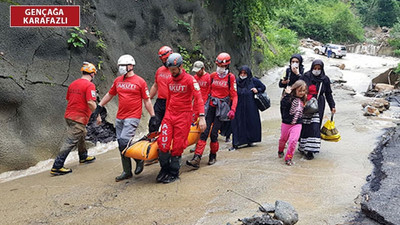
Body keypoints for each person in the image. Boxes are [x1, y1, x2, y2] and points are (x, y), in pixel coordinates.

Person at [95, 54, 156, 182]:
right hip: (120, 117)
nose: (120, 68)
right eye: (120, 66)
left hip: (133, 116)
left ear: (130, 66)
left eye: (122, 66)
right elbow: (110, 94)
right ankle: (127, 171)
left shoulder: (140, 81)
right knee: (121, 144)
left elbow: (147, 100)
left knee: (124, 141)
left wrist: (153, 116)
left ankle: (139, 159)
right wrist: (99, 106)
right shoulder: (118, 81)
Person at [156, 53, 206, 183]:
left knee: (178, 146)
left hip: (184, 116)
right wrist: (164, 118)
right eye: (170, 70)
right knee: (163, 143)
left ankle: (174, 172)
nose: (172, 73)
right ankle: (164, 169)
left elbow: (198, 98)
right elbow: (169, 99)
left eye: (174, 70)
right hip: (169, 115)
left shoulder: (190, 80)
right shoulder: (169, 80)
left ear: (181, 66)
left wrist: (201, 117)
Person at [186, 52, 238, 169]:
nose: (220, 68)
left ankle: (213, 155)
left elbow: (234, 95)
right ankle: (197, 157)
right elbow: (207, 90)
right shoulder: (213, 76)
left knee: (214, 133)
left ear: (227, 66)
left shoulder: (231, 78)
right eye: (219, 66)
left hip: (222, 107)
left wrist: (233, 110)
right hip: (211, 105)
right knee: (204, 131)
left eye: (222, 66)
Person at [50, 62, 98, 175]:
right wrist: (97, 113)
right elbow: (91, 102)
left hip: (70, 116)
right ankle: (57, 166)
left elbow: (69, 99)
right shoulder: (90, 85)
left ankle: (83, 157)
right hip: (79, 118)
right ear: (92, 74)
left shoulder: (73, 84)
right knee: (70, 141)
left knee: (82, 134)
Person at [299, 59, 336, 160]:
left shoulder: (325, 79)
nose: (316, 70)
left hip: (319, 104)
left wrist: (332, 106)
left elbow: (328, 94)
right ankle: (302, 146)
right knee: (305, 125)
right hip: (306, 103)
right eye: (315, 68)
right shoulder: (305, 77)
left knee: (315, 126)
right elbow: (298, 90)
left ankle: (310, 150)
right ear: (311, 68)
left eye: (319, 69)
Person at [230, 65, 266, 151]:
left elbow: (263, 87)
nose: (242, 75)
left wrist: (257, 90)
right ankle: (236, 143)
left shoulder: (253, 81)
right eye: (241, 73)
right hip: (238, 107)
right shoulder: (236, 81)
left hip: (251, 107)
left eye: (245, 73)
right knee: (237, 124)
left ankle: (250, 140)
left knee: (251, 123)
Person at [278, 80, 307, 166]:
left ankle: (288, 158)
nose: (302, 93)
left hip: (297, 124)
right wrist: (287, 94)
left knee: (293, 140)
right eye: (299, 91)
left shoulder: (303, 99)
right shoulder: (288, 99)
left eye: (303, 91)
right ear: (295, 90)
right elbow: (283, 105)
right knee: (283, 139)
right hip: (286, 124)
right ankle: (280, 150)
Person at [149, 46, 173, 132]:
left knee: (167, 126)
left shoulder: (177, 71)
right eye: (163, 60)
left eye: (166, 59)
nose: (164, 61)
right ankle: (151, 141)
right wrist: (148, 98)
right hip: (160, 102)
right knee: (153, 123)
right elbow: (155, 85)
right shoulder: (159, 70)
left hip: (172, 103)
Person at [189, 60, 211, 153]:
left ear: (203, 69)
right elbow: (192, 92)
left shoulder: (208, 78)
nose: (197, 72)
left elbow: (210, 92)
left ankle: (199, 144)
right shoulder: (194, 78)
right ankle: (194, 141)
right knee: (193, 124)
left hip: (205, 105)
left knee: (201, 125)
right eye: (196, 71)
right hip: (195, 106)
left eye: (199, 70)